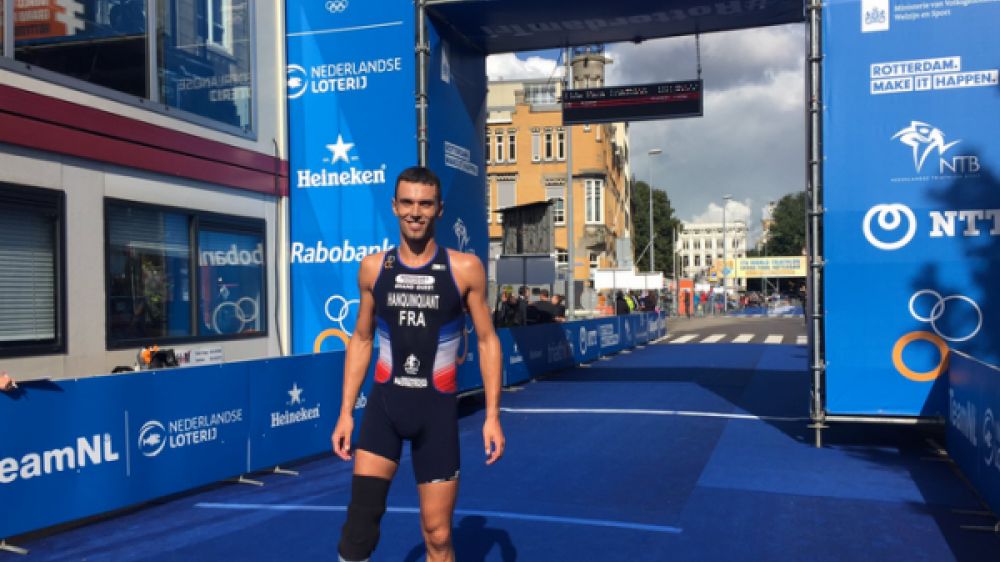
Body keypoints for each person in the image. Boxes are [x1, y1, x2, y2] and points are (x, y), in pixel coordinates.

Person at [331, 166, 505, 562]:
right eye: (407, 203)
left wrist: (492, 415)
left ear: (439, 210)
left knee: (439, 536)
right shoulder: (374, 267)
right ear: (394, 207)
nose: (415, 212)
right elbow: (361, 339)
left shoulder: (465, 268)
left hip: (436, 415)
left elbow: (487, 339)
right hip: (384, 411)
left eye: (425, 204)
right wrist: (345, 413)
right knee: (360, 526)